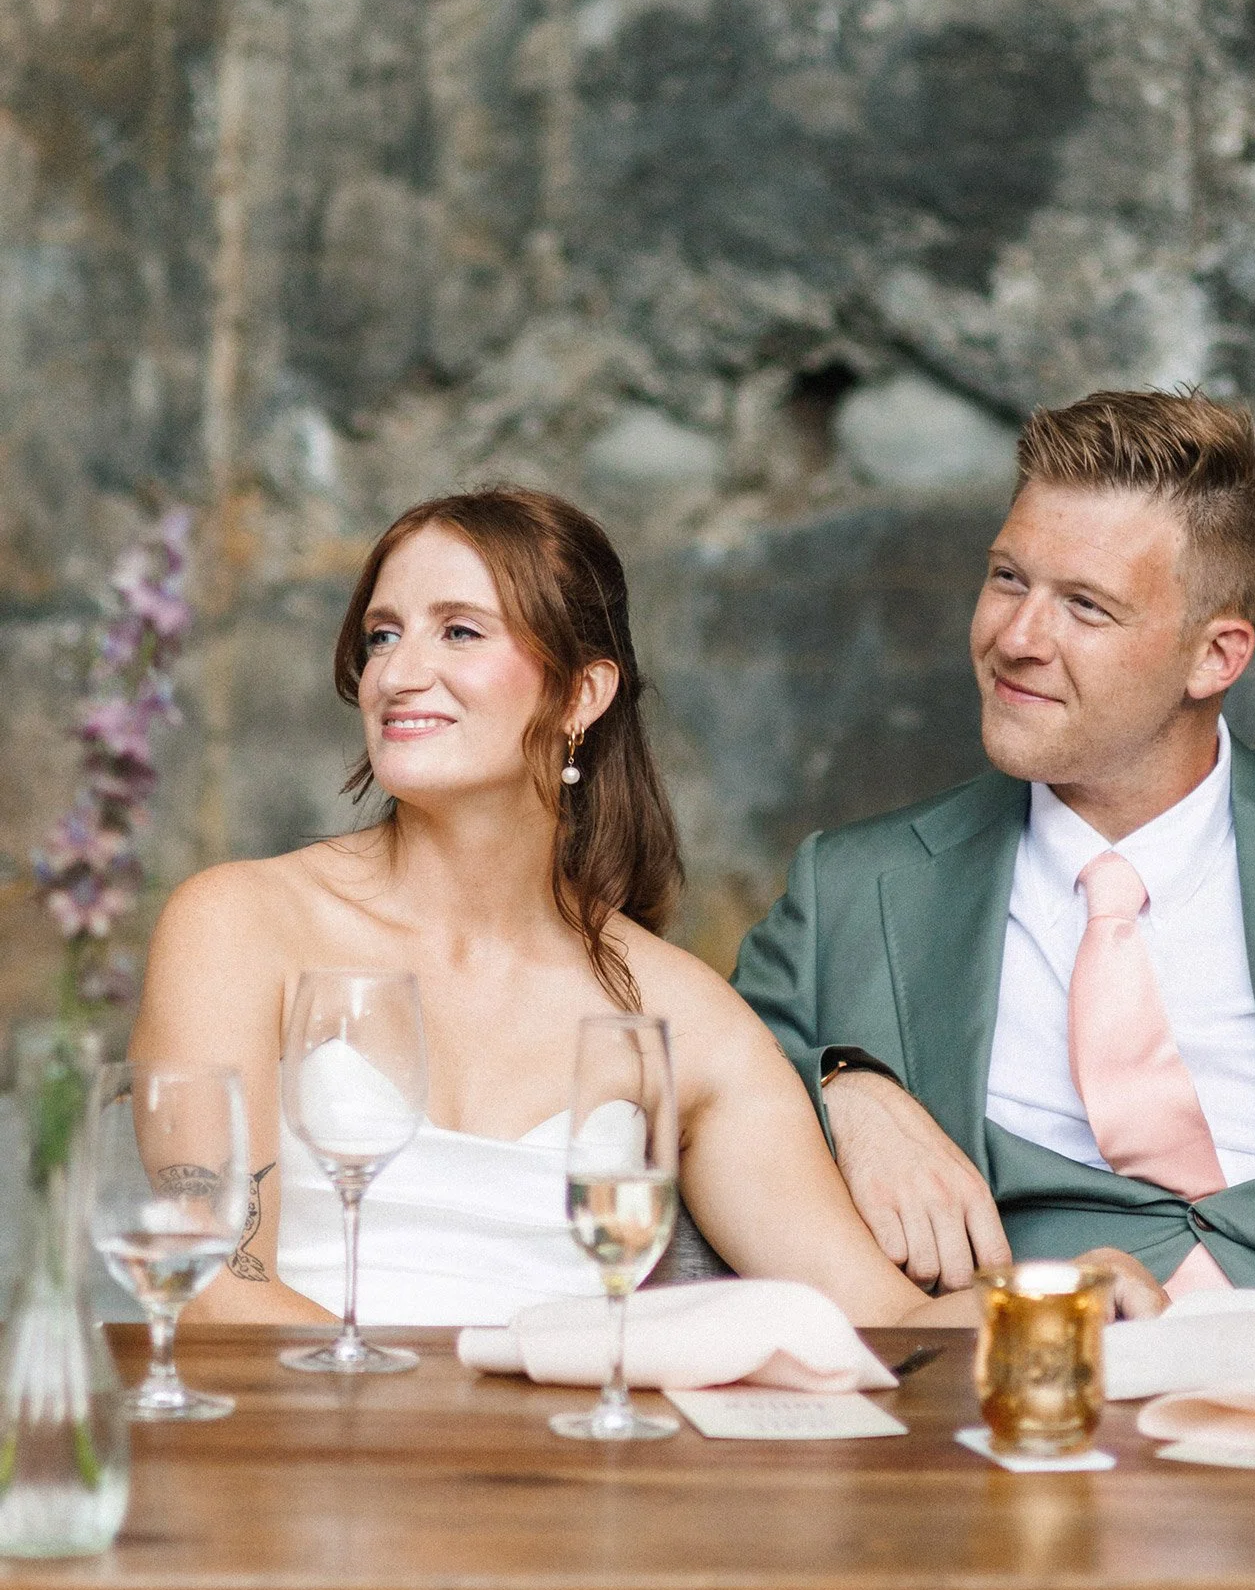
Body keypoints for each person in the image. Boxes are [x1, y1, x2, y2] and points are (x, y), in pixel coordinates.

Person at [134, 488, 1147, 1331]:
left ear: (581, 693)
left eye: (459, 631)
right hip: (283, 1470)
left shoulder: (676, 1010)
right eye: (384, 634)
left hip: (558, 1495)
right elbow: (218, 1287)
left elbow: (876, 1318)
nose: (399, 671)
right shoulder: (239, 925)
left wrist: (1060, 1296)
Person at [733, 390, 1255, 1302]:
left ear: (1215, 656)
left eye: (1086, 607)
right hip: (1026, 1375)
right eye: (1009, 578)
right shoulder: (851, 887)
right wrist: (841, 1086)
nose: (1016, 639)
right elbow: (697, 1095)